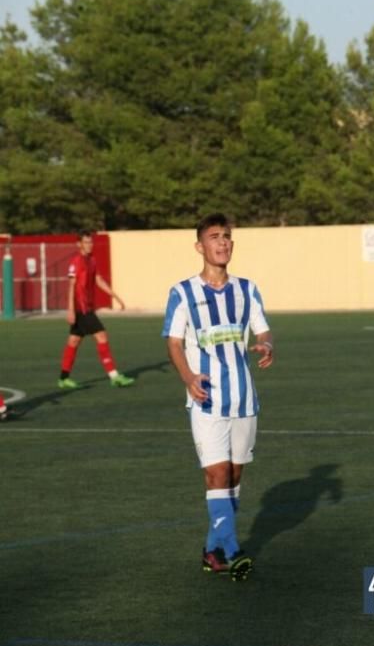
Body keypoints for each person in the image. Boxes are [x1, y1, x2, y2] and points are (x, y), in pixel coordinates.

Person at [162, 213, 273, 581]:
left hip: (244, 400)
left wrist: (265, 345)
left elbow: (263, 330)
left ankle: (212, 550)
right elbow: (173, 342)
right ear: (200, 246)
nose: (222, 242)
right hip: (207, 400)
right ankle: (233, 550)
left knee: (234, 476)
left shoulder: (247, 289)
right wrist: (189, 377)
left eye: (226, 236)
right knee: (217, 475)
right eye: (214, 236)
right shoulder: (183, 292)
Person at [57, 231, 135, 388]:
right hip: (82, 308)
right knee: (101, 335)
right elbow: (71, 286)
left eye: (91, 242)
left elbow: (98, 280)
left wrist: (115, 296)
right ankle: (114, 376)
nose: (89, 245)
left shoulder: (91, 260)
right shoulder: (76, 262)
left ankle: (63, 378)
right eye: (86, 242)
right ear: (79, 244)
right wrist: (70, 310)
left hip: (86, 308)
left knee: (74, 340)